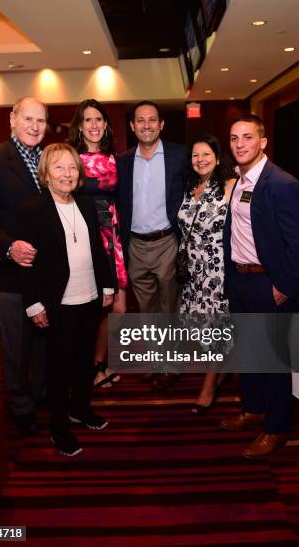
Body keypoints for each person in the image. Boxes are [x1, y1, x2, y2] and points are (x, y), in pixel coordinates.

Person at [220, 114, 299, 459]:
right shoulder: (240, 182)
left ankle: (276, 428)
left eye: (247, 137)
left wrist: (283, 286)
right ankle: (254, 409)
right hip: (241, 281)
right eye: (233, 138)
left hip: (267, 284)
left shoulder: (281, 183)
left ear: (263, 142)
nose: (239, 144)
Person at [16, 143, 114, 457]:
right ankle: (58, 429)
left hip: (89, 297)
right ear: (45, 173)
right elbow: (26, 262)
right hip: (58, 302)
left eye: (72, 167)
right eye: (59, 167)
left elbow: (99, 250)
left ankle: (80, 410)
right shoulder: (33, 209)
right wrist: (33, 303)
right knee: (59, 369)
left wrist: (108, 286)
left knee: (84, 362)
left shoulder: (85, 204)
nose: (67, 174)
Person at [0, 97, 48, 435]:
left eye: (41, 121)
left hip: (48, 273)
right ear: (12, 119)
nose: (35, 126)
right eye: (28, 119)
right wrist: (8, 246)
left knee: (46, 340)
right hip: (14, 273)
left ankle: (41, 395)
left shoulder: (49, 160)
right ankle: (20, 408)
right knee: (17, 347)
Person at [117, 101, 186, 391]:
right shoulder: (121, 161)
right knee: (145, 309)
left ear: (161, 124)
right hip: (135, 244)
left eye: (152, 120)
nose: (147, 125)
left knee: (169, 305)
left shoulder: (179, 155)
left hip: (167, 240)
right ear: (132, 126)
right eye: (140, 120)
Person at [68, 99, 127, 388]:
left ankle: (98, 362)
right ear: (80, 126)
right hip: (84, 237)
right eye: (87, 120)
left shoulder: (115, 157)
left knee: (117, 309)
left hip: (111, 237)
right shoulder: (71, 159)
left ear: (105, 125)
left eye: (98, 120)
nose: (93, 125)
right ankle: (86, 368)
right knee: (90, 309)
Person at [178, 136, 235, 413]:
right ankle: (221, 369)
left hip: (219, 270)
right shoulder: (191, 187)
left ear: (218, 156)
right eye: (195, 155)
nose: (200, 159)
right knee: (201, 326)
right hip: (193, 270)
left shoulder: (230, 186)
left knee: (217, 328)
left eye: (206, 153)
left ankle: (209, 386)